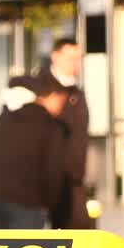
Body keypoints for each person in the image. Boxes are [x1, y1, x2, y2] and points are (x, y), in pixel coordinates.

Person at [0, 76, 69, 229]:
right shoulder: (50, 126)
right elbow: (53, 169)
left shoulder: (3, 119)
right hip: (30, 203)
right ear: (50, 97)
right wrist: (51, 203)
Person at [43, 38, 93, 229]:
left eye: (78, 58)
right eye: (70, 58)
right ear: (55, 57)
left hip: (73, 178)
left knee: (80, 232)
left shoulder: (76, 93)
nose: (75, 63)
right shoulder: (43, 88)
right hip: (48, 178)